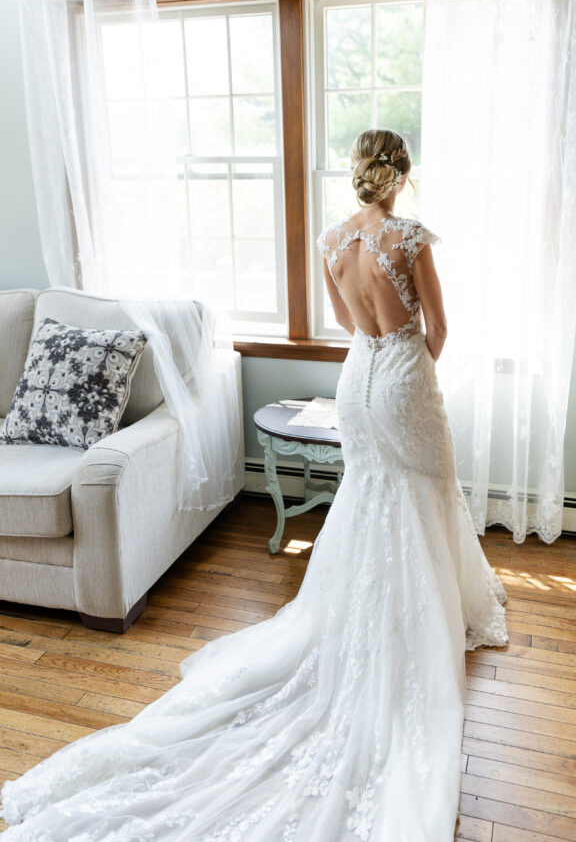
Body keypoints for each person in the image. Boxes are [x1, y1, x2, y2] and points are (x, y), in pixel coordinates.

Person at [0, 128, 508, 841]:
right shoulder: (411, 237)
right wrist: (414, 374)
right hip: (399, 373)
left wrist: (380, 354)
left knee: (369, 495)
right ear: (402, 173)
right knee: (421, 490)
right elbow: (439, 329)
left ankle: (373, 606)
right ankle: (424, 612)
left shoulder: (333, 241)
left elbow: (344, 321)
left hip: (357, 377)